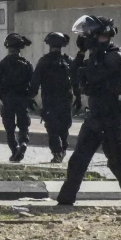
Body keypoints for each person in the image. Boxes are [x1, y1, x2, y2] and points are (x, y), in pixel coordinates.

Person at [57, 14, 121, 207]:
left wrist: (85, 66)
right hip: (94, 118)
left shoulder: (114, 56)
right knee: (77, 161)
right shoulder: (96, 55)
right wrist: (81, 53)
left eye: (87, 36)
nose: (85, 39)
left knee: (117, 163)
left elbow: (92, 76)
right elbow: (74, 75)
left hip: (110, 119)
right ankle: (66, 200)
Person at [29, 32, 81, 163]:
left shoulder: (44, 61)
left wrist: (30, 98)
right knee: (64, 126)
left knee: (52, 127)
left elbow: (35, 82)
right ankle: (62, 149)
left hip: (50, 100)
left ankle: (57, 151)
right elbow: (75, 81)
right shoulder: (68, 61)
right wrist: (78, 97)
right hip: (65, 100)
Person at [0, 33, 35, 162]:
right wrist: (29, 97)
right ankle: (23, 142)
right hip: (22, 98)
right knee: (23, 125)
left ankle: (15, 149)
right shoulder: (26, 63)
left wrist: (3, 97)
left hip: (8, 99)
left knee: (9, 128)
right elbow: (32, 82)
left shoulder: (4, 63)